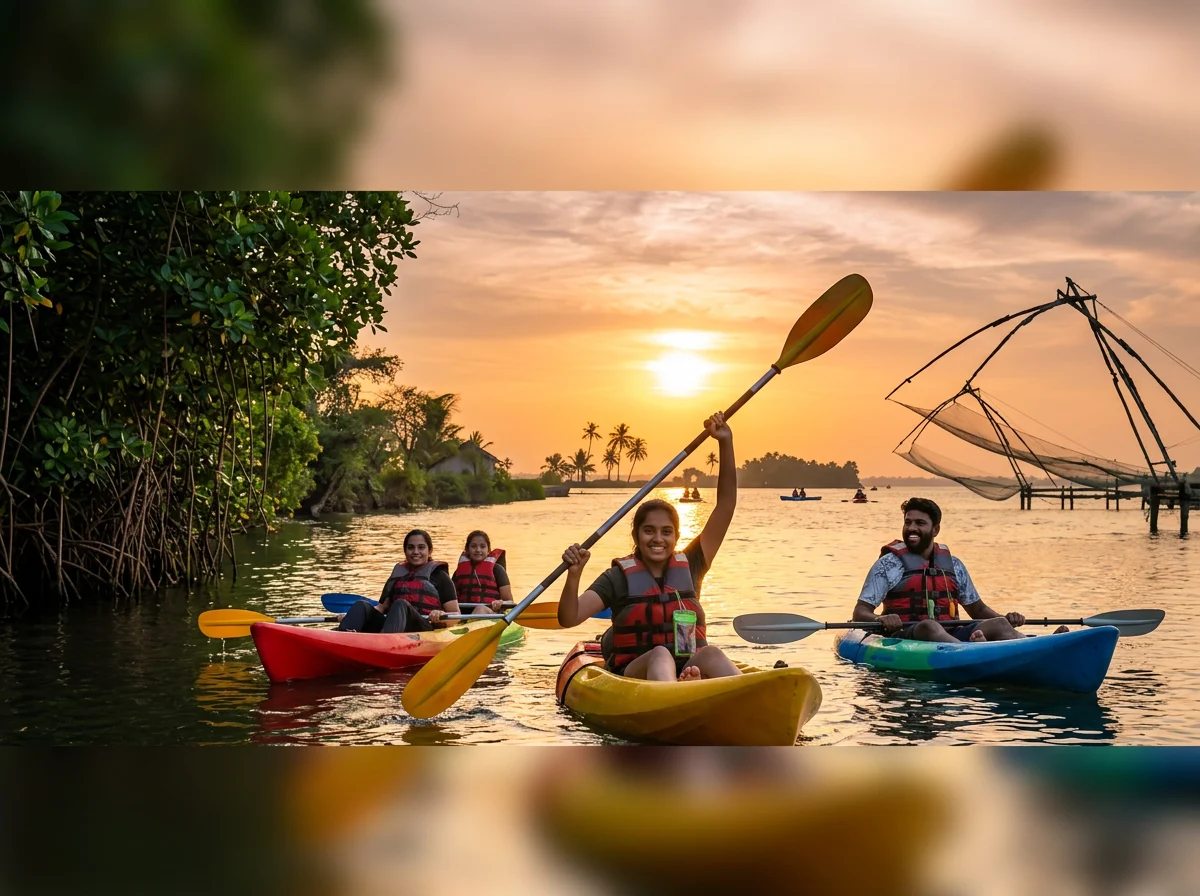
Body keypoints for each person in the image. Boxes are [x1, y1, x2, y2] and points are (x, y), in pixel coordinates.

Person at [558, 412, 740, 681]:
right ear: (636, 535)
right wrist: (574, 574)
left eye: (666, 532)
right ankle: (677, 692)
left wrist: (725, 441)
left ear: (676, 536)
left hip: (686, 666)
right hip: (635, 674)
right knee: (660, 654)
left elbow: (726, 505)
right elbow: (569, 617)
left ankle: (703, 688)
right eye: (649, 531)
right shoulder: (617, 578)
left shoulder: (692, 563)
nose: (658, 539)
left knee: (711, 653)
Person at [852, 497, 1068, 642]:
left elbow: (978, 611)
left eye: (920, 523)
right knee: (930, 626)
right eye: (908, 522)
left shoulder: (954, 565)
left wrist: (1007, 619)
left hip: (952, 634)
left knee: (1000, 625)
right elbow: (860, 611)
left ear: (935, 530)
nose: (912, 528)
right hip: (907, 637)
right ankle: (974, 651)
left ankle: (1038, 644)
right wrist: (880, 620)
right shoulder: (888, 564)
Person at [337, 529, 461, 633]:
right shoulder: (397, 576)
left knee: (400, 604)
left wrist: (441, 614)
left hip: (425, 628)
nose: (415, 552)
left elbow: (456, 616)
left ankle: (385, 643)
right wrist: (353, 616)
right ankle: (345, 633)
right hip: (394, 628)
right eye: (411, 548)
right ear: (405, 551)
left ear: (430, 551)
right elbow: (381, 608)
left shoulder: (440, 576)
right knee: (361, 605)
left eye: (421, 547)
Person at [452, 530, 512, 615]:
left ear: (488, 550)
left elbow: (509, 601)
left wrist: (500, 603)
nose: (478, 550)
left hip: (491, 615)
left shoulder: (497, 570)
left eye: (482, 546)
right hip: (464, 616)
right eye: (473, 546)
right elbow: (450, 600)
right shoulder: (458, 572)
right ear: (467, 549)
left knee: (480, 609)